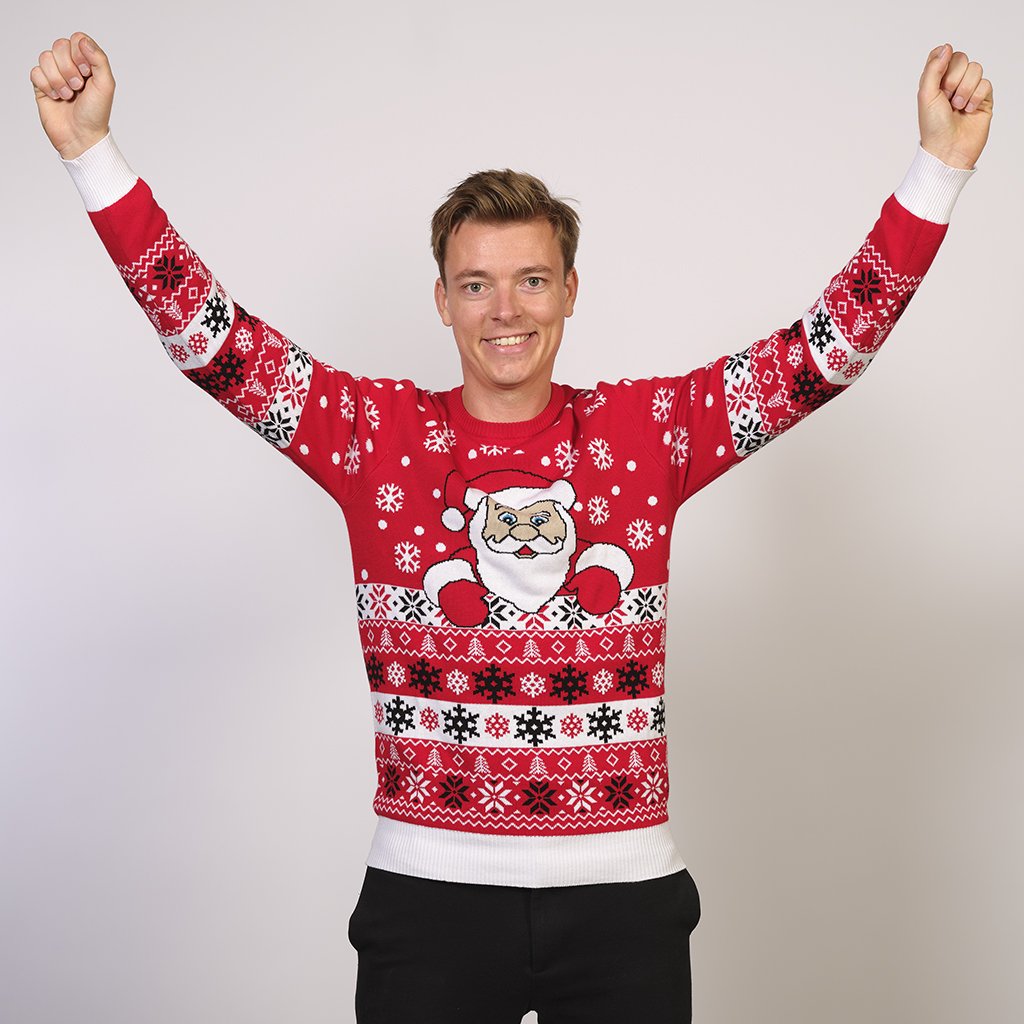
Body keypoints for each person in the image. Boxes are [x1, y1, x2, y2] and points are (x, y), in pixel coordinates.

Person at [32, 31, 993, 1024]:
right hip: (427, 903)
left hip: (623, 904)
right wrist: (91, 151)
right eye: (476, 283)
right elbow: (210, 340)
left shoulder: (647, 431)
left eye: (532, 279)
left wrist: (938, 166)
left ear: (570, 292)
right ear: (442, 300)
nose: (505, 309)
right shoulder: (372, 436)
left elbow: (822, 356)